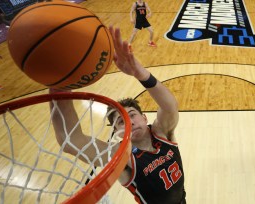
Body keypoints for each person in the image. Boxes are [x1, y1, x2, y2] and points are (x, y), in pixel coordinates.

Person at [50, 26, 185, 203]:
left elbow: (170, 106)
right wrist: (59, 86)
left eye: (132, 114)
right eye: (121, 121)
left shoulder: (162, 133)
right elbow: (69, 139)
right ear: (116, 131)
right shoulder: (122, 157)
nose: (129, 121)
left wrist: (140, 73)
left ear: (144, 118)